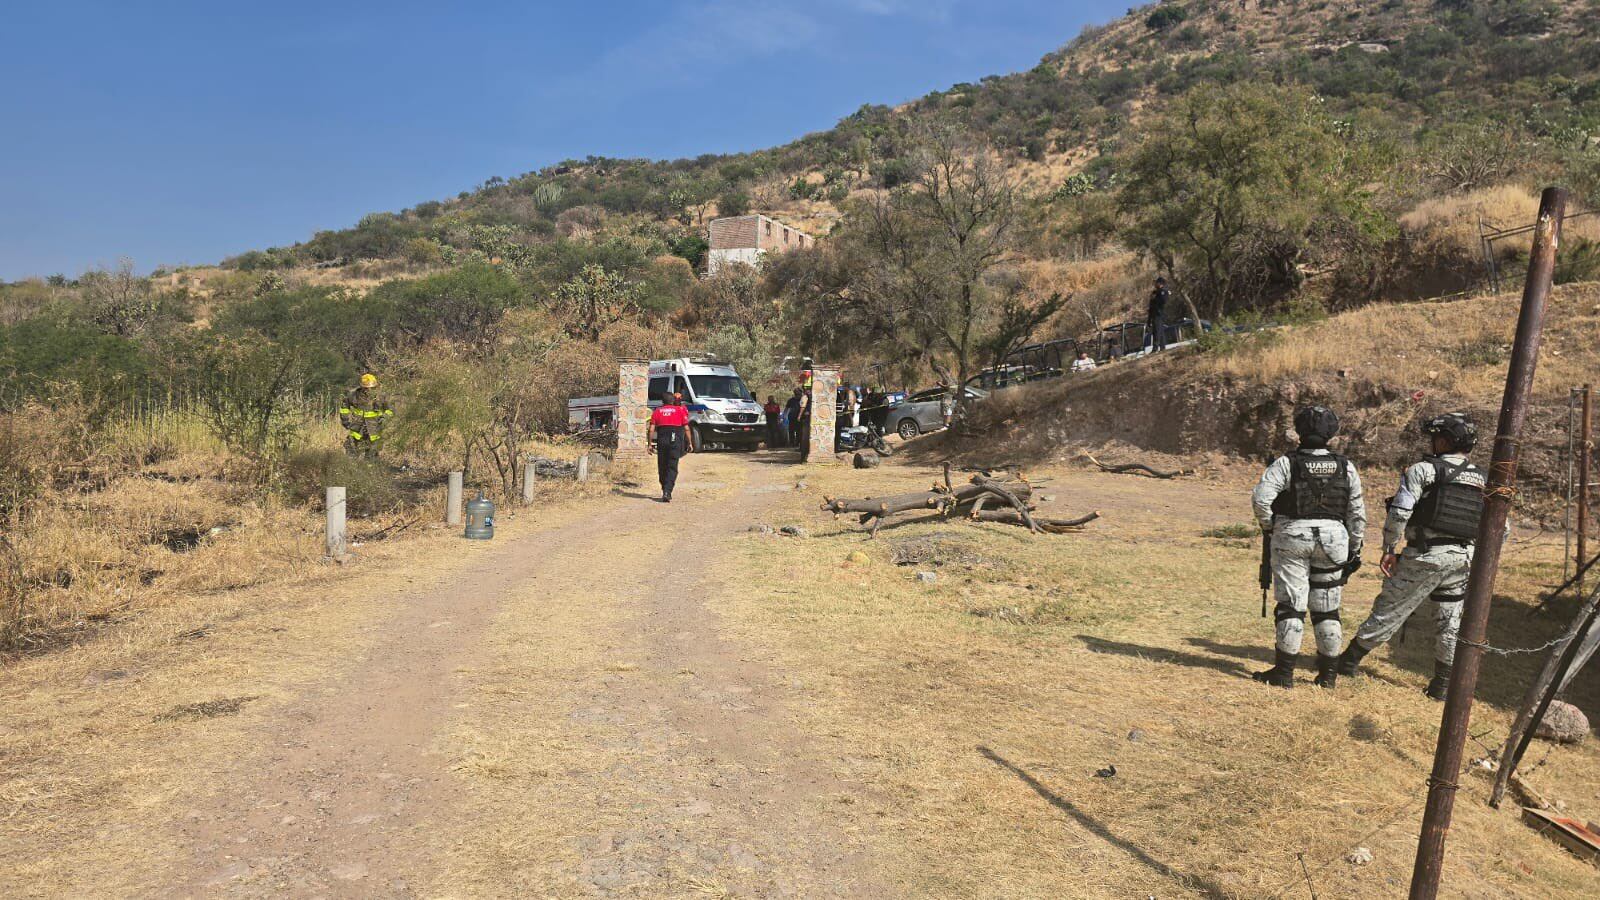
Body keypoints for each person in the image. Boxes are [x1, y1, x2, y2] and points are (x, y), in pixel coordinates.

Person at [1336, 414, 1484, 700]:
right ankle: (1441, 685)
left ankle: (1348, 661)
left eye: (1436, 437)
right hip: (1464, 559)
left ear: (1444, 440)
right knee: (1449, 621)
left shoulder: (1424, 470)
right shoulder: (1484, 479)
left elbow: (1401, 512)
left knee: (1391, 609)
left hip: (1426, 555)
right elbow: (1501, 529)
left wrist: (1390, 548)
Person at [1250, 406, 1366, 689]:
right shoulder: (1345, 466)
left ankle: (1284, 673)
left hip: (1292, 534)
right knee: (1327, 610)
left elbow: (1261, 499)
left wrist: (1269, 526)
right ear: (1332, 433)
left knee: (1292, 605)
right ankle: (1328, 676)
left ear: (1299, 430)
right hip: (1334, 539)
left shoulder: (1285, 463)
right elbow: (1357, 513)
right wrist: (1355, 547)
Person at [647, 391, 694, 502]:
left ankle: (664, 488)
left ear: (662, 401)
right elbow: (686, 428)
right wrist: (690, 443)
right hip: (675, 441)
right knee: (672, 466)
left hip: (662, 441)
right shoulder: (680, 411)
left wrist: (649, 444)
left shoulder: (657, 411)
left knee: (662, 466)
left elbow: (651, 429)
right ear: (672, 400)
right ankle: (667, 491)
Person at [340, 373, 394, 458]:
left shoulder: (381, 396)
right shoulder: (353, 395)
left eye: (371, 388)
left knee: (371, 455)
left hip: (374, 429)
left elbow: (390, 410)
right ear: (362, 387)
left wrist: (384, 418)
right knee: (351, 452)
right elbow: (344, 407)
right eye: (366, 388)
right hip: (357, 428)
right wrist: (345, 421)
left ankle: (369, 468)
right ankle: (350, 468)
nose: (368, 390)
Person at [1147, 276, 1171, 352]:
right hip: (1153, 314)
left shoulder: (1162, 292)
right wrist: (1149, 319)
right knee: (1158, 331)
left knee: (1157, 330)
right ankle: (1162, 347)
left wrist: (1156, 297)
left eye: (1156, 282)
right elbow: (1151, 306)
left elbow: (1163, 301)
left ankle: (1155, 348)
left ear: (1160, 283)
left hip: (1159, 314)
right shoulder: (1155, 292)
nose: (1155, 284)